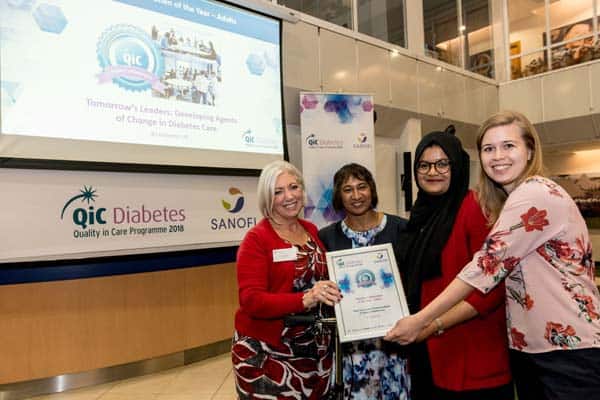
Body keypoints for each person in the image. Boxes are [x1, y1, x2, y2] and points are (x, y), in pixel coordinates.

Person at [385, 111, 600, 400]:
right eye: (489, 149)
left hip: (568, 349)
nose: (498, 156)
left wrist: (423, 321)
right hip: (532, 346)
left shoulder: (535, 193)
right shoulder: (507, 200)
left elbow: (485, 267)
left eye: (508, 146)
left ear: (530, 150)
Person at [399, 128, 512, 400]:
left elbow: (492, 289)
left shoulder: (474, 207)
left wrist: (432, 324)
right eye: (424, 165)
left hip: (470, 356)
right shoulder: (420, 216)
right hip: (427, 353)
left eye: (442, 164)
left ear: (457, 166)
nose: (432, 172)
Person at [231, 160, 342, 399]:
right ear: (267, 199)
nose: (289, 196)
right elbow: (251, 300)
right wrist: (305, 299)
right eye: (278, 191)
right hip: (268, 354)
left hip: (314, 352)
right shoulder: (256, 239)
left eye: (294, 187)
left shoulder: (311, 230)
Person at [318, 163, 411, 400]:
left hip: (395, 339)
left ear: (372, 189)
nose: (356, 195)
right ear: (339, 196)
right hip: (352, 347)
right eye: (348, 190)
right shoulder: (327, 237)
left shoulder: (401, 229)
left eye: (362, 187)